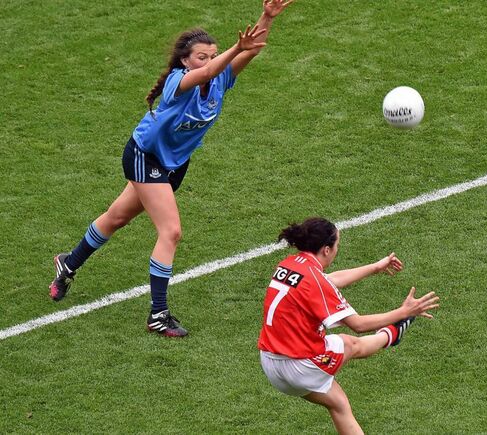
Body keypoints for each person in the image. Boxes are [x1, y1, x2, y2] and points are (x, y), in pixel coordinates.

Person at [48, 0, 295, 337]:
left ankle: (68, 263)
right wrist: (236, 46)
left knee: (116, 217)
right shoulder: (178, 83)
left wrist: (266, 17)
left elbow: (250, 52)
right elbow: (210, 71)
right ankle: (158, 314)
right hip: (144, 156)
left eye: (212, 55)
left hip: (174, 165)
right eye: (201, 56)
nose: (208, 62)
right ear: (185, 61)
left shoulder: (221, 80)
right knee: (171, 231)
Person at [258, 217, 440, 435]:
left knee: (339, 404)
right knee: (348, 343)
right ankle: (392, 333)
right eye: (337, 245)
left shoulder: (289, 265)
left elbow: (330, 280)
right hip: (299, 368)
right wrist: (404, 312)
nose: (337, 250)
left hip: (270, 363)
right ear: (326, 249)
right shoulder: (316, 280)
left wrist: (375, 267)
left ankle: (392, 332)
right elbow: (359, 324)